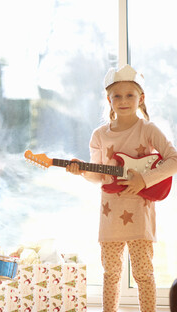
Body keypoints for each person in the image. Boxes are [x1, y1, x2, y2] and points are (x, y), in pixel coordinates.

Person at [66, 64, 177, 312]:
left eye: (130, 95)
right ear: (109, 99)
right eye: (117, 95)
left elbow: (174, 160)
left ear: (141, 98)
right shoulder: (99, 135)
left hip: (139, 214)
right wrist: (82, 170)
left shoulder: (148, 130)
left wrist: (144, 181)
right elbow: (99, 175)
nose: (123, 100)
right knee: (110, 273)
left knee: (143, 273)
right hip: (110, 214)